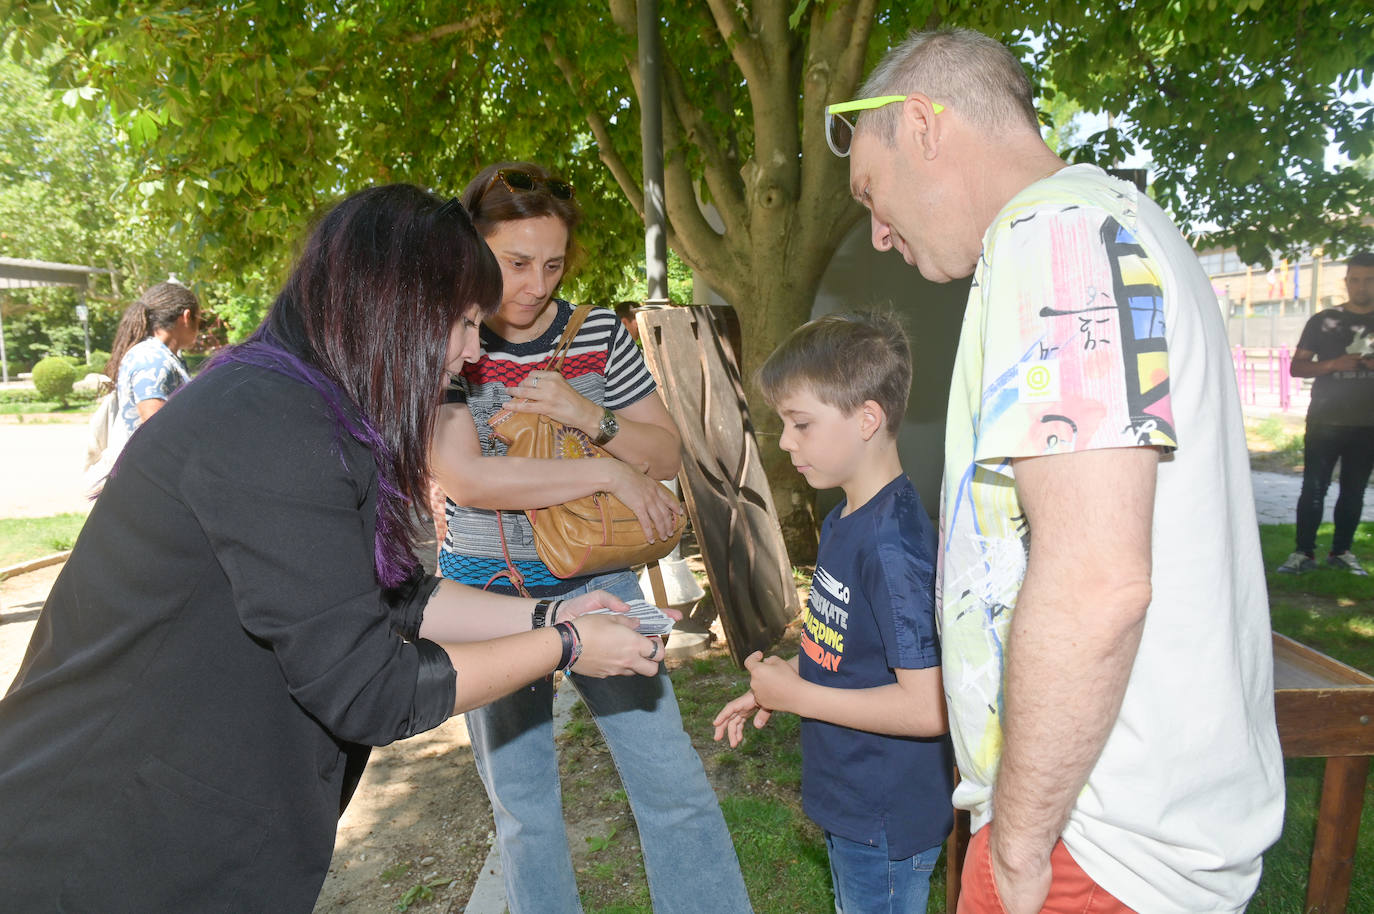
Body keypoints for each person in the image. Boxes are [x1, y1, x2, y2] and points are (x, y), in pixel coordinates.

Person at [0, 184, 665, 913]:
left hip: (177, 822)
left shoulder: (309, 410)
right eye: (465, 323)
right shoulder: (271, 429)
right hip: (105, 843)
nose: (475, 353)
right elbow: (372, 689)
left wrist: (543, 615)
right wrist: (568, 645)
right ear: (396, 309)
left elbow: (399, 596)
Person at [833, 28, 1284, 914]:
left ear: (923, 126)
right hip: (1117, 817)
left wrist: (1025, 839)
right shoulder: (1111, 222)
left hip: (1095, 841)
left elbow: (1095, 581)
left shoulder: (1057, 235)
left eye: (871, 193)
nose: (878, 234)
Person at [430, 161, 752, 914]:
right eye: (515, 263)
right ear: (473, 249)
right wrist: (607, 476)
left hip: (595, 585)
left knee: (671, 785)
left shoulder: (600, 332)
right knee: (523, 812)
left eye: (552, 263)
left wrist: (587, 414)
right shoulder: (447, 337)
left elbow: (667, 455)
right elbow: (466, 480)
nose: (536, 283)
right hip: (483, 598)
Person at [712, 311, 954, 914]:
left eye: (800, 424)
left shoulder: (893, 548)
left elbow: (928, 706)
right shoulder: (844, 518)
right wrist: (789, 677)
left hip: (886, 812)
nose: (786, 441)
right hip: (854, 801)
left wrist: (800, 699)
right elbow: (847, 643)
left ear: (867, 418)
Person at [1277, 252, 1374, 576]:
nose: (1362, 286)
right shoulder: (1323, 320)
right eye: (1356, 279)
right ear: (1346, 281)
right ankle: (1303, 552)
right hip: (1325, 420)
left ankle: (1342, 552)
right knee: (1313, 488)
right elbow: (1297, 367)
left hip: (1368, 424)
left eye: (1369, 279)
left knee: (1354, 490)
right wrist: (1333, 365)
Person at [110, 280, 200, 436]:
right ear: (186, 316)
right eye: (200, 321)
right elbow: (157, 433)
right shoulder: (153, 360)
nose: (200, 328)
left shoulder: (159, 355)